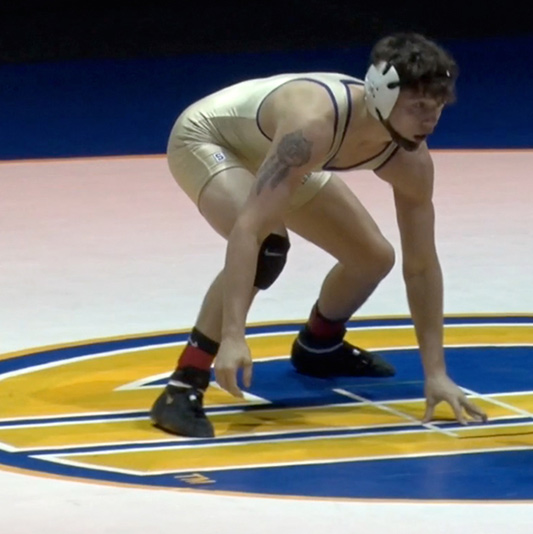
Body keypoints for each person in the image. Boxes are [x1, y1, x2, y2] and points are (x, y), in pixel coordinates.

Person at [150, 32, 488, 439]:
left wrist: (436, 373)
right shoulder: (312, 127)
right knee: (268, 247)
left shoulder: (411, 158)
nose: (430, 121)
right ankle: (184, 382)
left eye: (437, 107)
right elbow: (248, 230)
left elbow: (421, 265)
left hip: (283, 155)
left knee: (372, 257)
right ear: (382, 95)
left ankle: (319, 345)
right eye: (418, 107)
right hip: (209, 140)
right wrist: (234, 334)